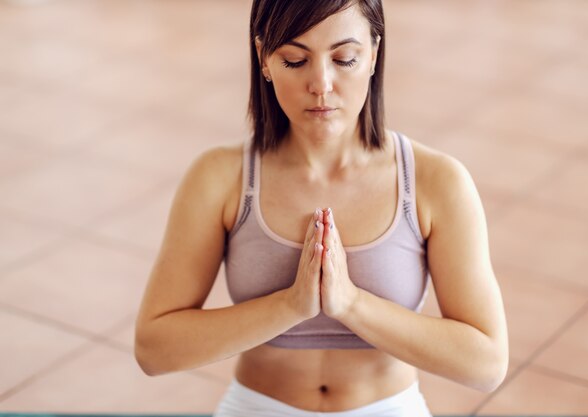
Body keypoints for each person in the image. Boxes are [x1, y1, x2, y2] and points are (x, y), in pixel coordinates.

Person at [134, 1, 509, 416]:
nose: (321, 83)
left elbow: (486, 364)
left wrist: (350, 304)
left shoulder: (436, 182)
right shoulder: (219, 178)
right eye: (295, 61)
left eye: (344, 58)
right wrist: (290, 306)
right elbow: (154, 349)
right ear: (264, 59)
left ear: (373, 55)